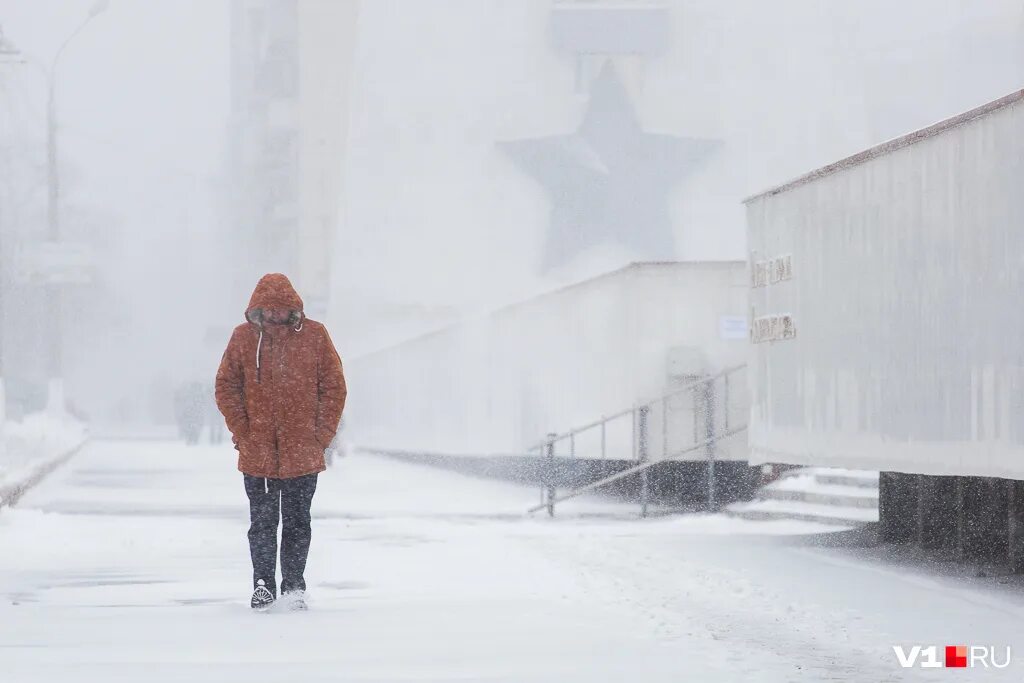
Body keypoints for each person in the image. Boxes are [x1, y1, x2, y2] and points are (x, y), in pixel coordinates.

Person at [215, 273, 347, 611]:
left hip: (302, 452)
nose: (275, 315)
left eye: (280, 309)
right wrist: (243, 432)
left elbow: (333, 386)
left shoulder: (315, 336)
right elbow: (226, 386)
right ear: (257, 309)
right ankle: (262, 584)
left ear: (293, 308)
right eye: (268, 309)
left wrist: (321, 436)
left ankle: (293, 586)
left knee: (298, 521)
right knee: (262, 523)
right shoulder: (243, 338)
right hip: (258, 452)